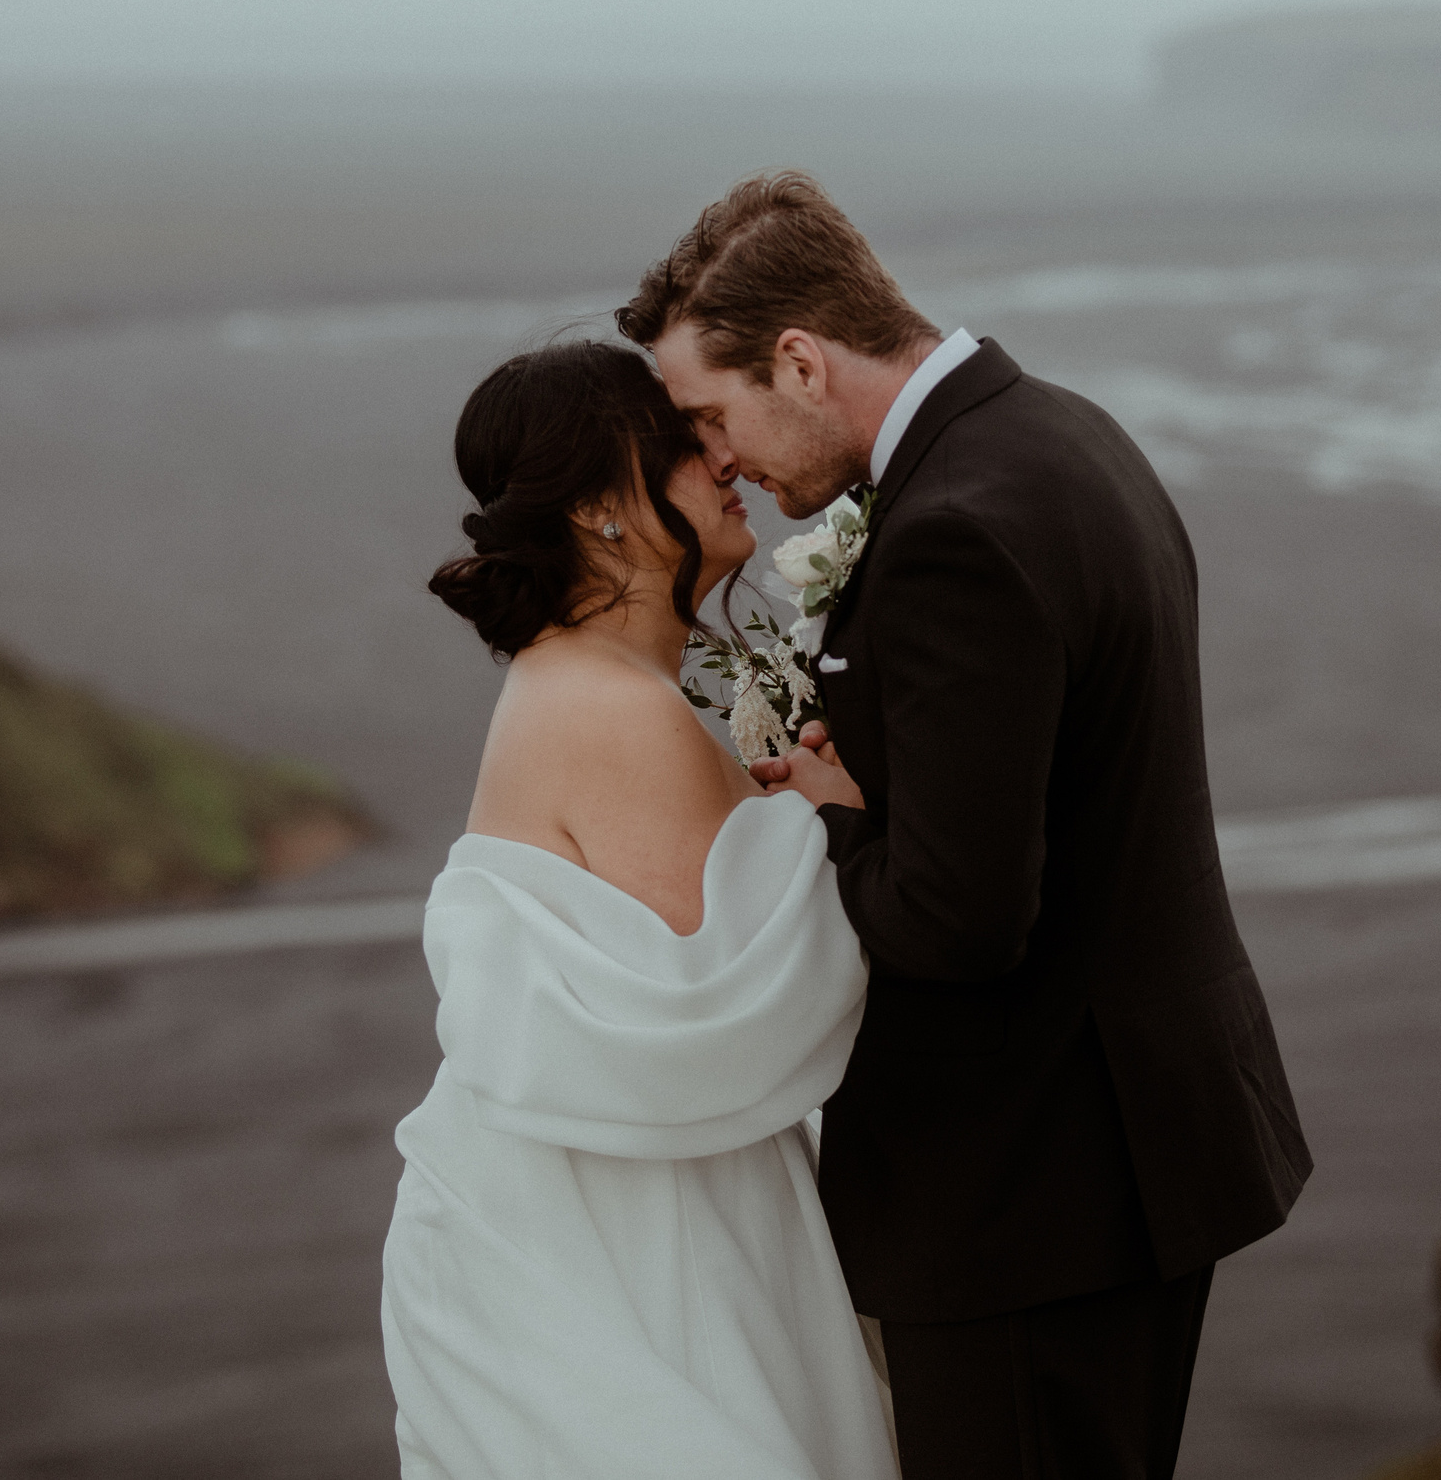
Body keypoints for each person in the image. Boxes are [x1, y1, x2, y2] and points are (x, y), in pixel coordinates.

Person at [620, 172, 1313, 1480]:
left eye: (713, 415)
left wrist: (822, 818)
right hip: (1129, 1150)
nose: (722, 461)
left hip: (1029, 1190)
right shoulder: (1067, 434)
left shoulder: (954, 533)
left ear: (800, 361)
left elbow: (958, 918)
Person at [380, 341, 900, 1480]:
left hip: (622, 1199)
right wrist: (841, 821)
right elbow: (724, 1011)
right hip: (618, 1249)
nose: (724, 458)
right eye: (678, 444)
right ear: (593, 509)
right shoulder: (615, 709)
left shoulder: (598, 684)